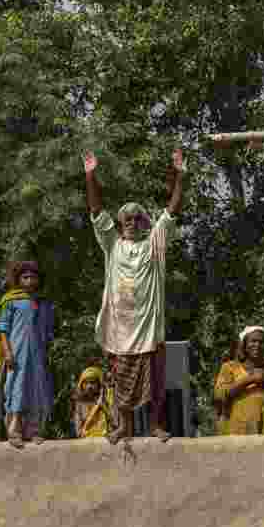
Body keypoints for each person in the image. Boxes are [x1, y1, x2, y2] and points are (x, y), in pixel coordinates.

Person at [83, 148, 185, 445]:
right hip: (121, 327)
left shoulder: (155, 243)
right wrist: (90, 176)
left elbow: (173, 210)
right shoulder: (112, 245)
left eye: (137, 218)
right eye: (126, 219)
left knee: (155, 379)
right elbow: (96, 212)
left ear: (145, 222)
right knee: (121, 380)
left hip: (149, 326)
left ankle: (155, 425)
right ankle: (124, 427)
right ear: (120, 224)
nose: (131, 221)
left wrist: (180, 174)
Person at [0, 260, 55, 448]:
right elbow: (2, 329)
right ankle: (14, 431)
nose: (29, 281)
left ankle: (34, 431)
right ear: (18, 280)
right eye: (25, 277)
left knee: (37, 391)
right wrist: (7, 352)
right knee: (16, 390)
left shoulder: (43, 303)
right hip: (17, 355)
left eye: (33, 277)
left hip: (38, 356)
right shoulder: (11, 301)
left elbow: (48, 331)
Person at [213, 326, 264, 436]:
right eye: (253, 341)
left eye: (262, 342)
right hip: (234, 434)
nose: (257, 345)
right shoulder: (229, 368)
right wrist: (249, 379)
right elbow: (219, 396)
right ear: (245, 345)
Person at [71, 366, 114, 438]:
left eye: (92, 382)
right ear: (82, 384)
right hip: (86, 442)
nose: (89, 386)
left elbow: (115, 424)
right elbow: (79, 432)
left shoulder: (107, 399)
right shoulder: (79, 404)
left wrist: (103, 406)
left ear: (99, 384)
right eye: (86, 383)